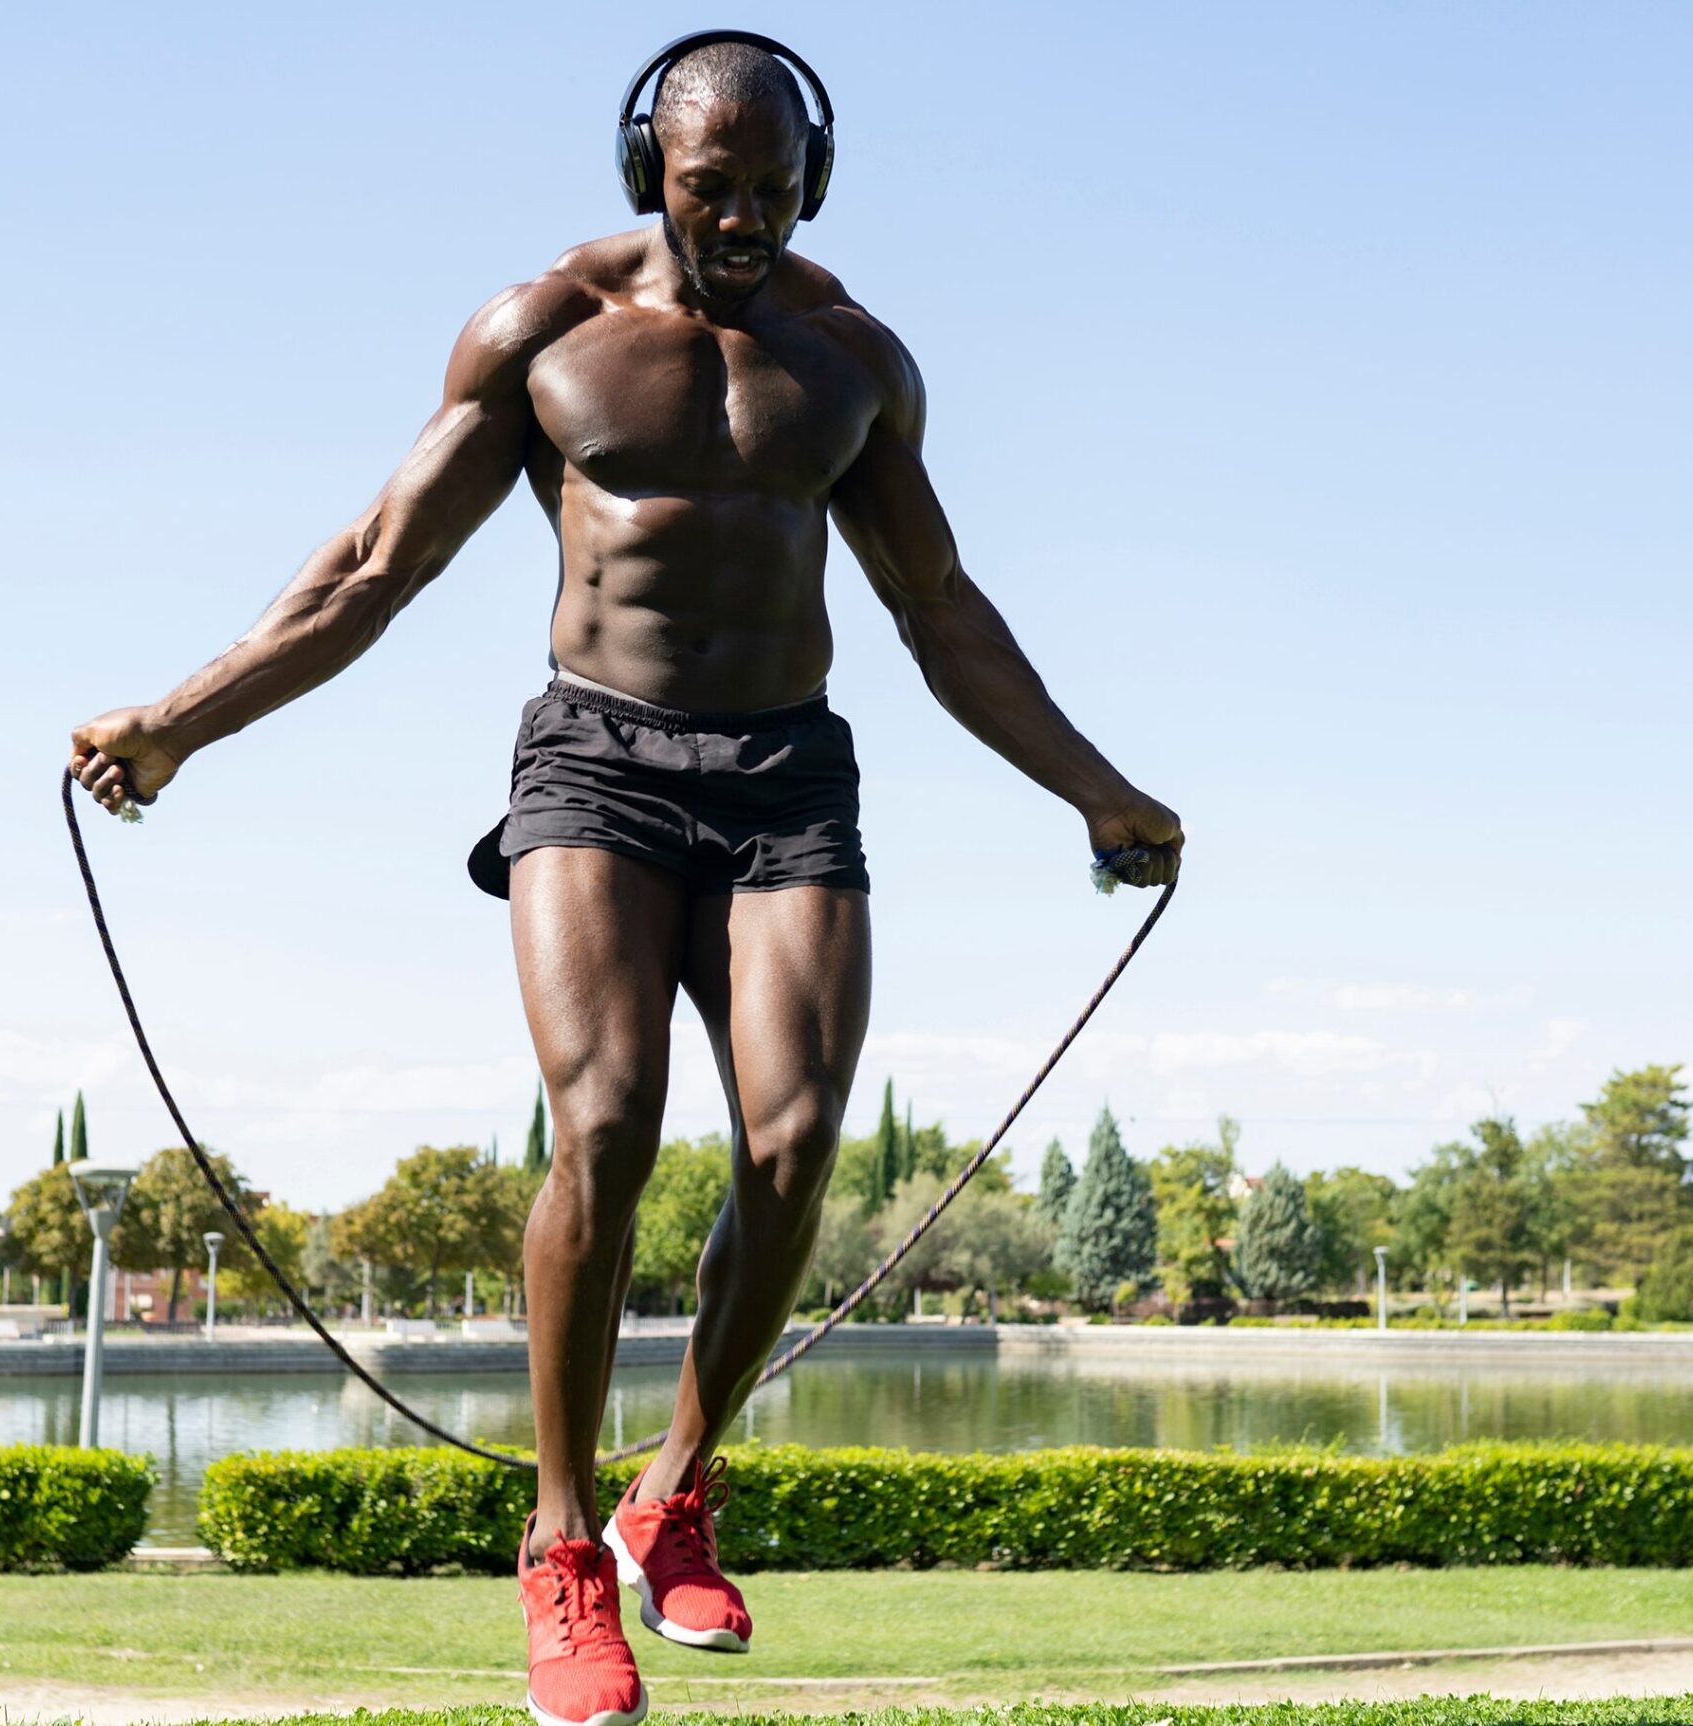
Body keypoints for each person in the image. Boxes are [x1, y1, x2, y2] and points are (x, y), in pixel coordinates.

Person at [68, 33, 1180, 1726]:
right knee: (603, 1124)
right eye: (706, 184)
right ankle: (565, 1545)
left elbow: (941, 613)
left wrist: (1100, 791)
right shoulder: (547, 332)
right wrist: (174, 724)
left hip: (788, 768)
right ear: (645, 166)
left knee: (797, 1141)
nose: (737, 218)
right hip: (596, 758)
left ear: (813, 179)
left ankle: (677, 1489)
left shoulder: (855, 362)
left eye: (769, 189)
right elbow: (372, 568)